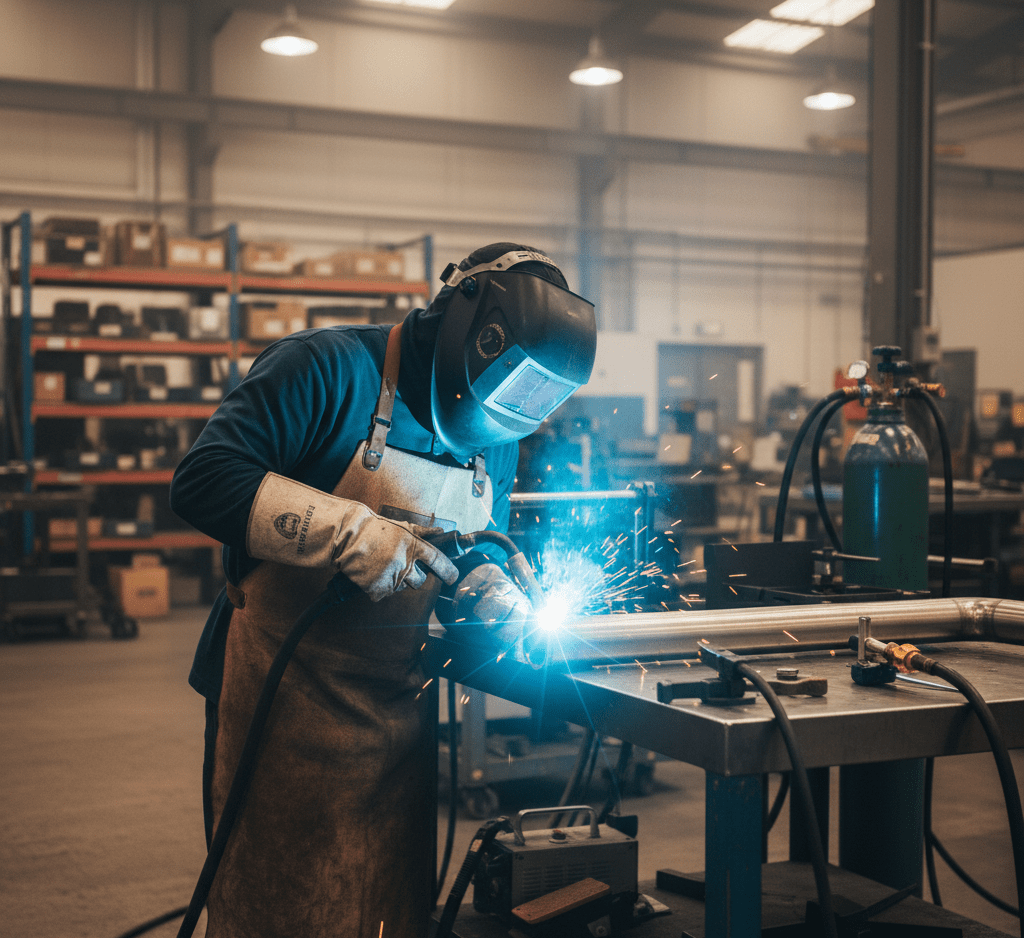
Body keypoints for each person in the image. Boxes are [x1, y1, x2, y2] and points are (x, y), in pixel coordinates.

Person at [169, 242, 597, 938]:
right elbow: (202, 480)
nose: (505, 418)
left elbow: (478, 545)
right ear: (467, 326)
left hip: (398, 721)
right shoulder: (326, 369)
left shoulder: (500, 432)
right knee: (277, 913)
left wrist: (485, 584)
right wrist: (343, 531)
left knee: (384, 912)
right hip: (280, 708)